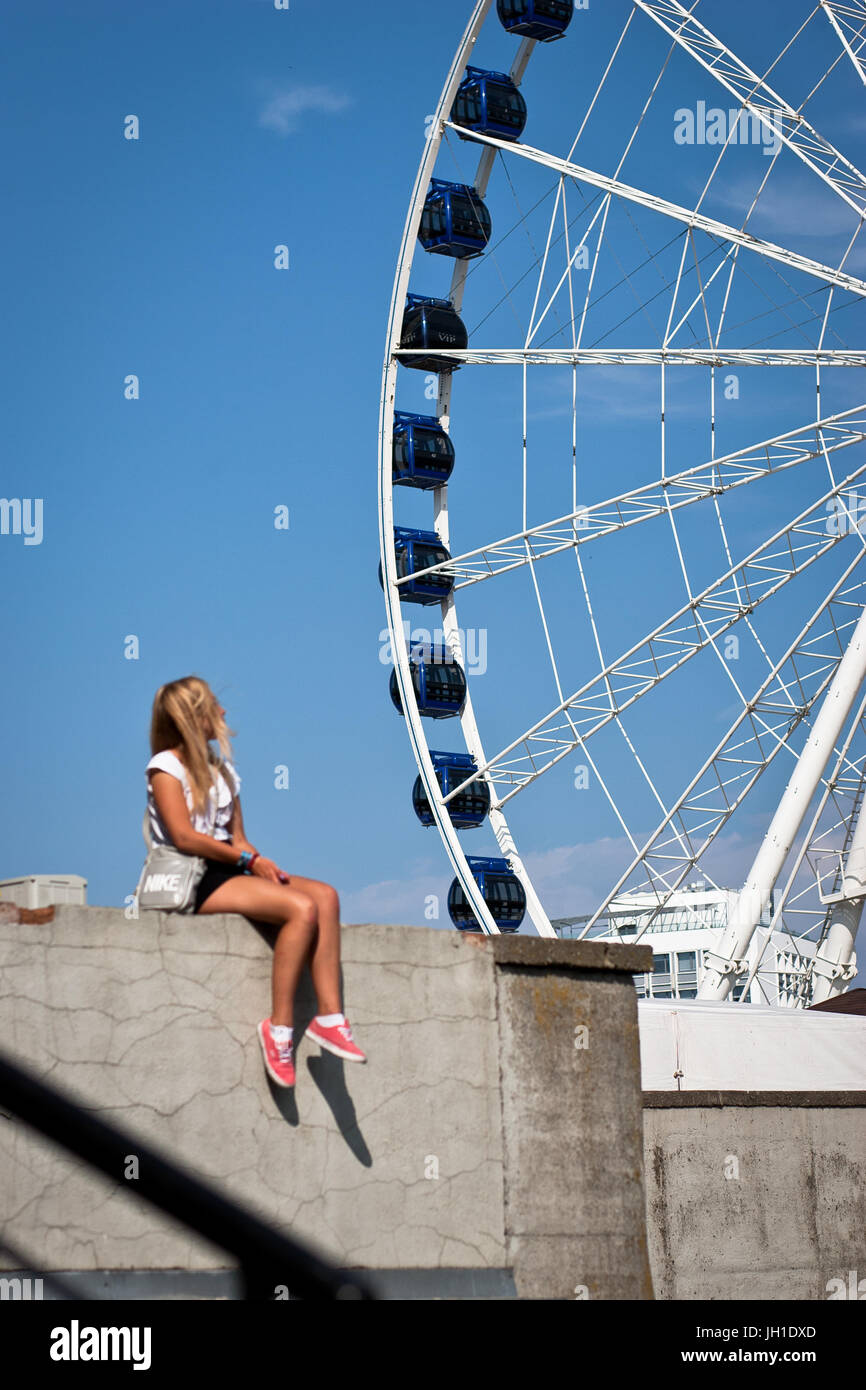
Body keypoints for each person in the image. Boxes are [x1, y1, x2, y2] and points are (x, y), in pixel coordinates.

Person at [144, 675, 366, 1088]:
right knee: (301, 909)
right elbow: (185, 837)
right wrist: (248, 859)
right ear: (195, 715)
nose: (224, 711)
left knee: (325, 896)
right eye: (215, 704)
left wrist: (258, 861)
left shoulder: (223, 771)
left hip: (227, 868)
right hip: (191, 876)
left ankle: (331, 1018)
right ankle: (279, 1031)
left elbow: (239, 836)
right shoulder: (165, 767)